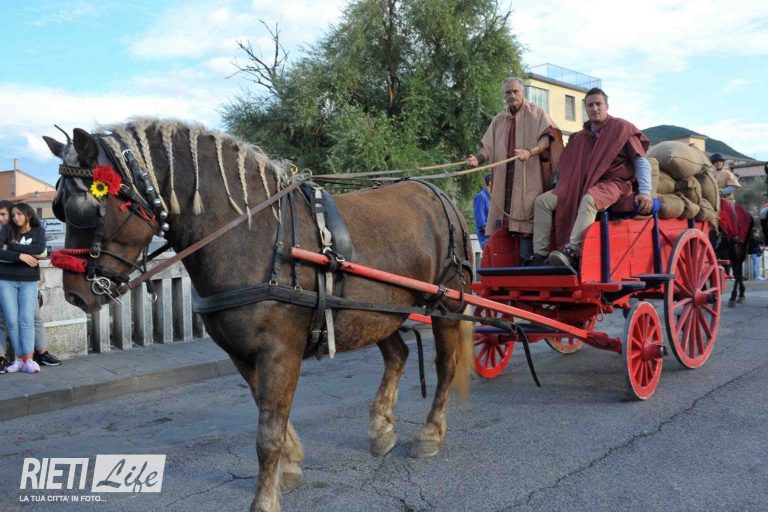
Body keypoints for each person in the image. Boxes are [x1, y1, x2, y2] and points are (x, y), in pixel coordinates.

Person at [530, 87, 653, 267]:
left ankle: (572, 250)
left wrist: (645, 191)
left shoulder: (622, 129)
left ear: (606, 106)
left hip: (613, 183)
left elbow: (641, 161)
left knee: (589, 199)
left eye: (598, 104)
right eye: (590, 105)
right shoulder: (579, 138)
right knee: (542, 202)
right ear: (585, 108)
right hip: (577, 184)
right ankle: (539, 255)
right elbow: (567, 167)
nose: (594, 108)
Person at [467, 77, 563, 262]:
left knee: (525, 228)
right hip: (503, 184)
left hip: (528, 181)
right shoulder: (498, 120)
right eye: (507, 92)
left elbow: (548, 138)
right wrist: (477, 159)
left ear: (522, 92)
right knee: (502, 232)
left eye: (515, 91)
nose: (511, 95)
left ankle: (528, 268)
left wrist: (529, 152)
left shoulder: (537, 113)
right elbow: (487, 147)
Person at [0, 201, 60, 373]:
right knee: (10, 321)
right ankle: (18, 359)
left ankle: (31, 358)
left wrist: (12, 247)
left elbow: (40, 250)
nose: (15, 218)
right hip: (6, 280)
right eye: (13, 215)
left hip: (28, 280)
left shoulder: (38, 231)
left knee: (28, 319)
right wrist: (20, 256)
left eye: (19, 214)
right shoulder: (7, 230)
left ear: (28, 214)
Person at [473, 174, 491, 249]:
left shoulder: (491, 198)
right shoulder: (481, 197)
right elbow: (481, 224)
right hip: (486, 239)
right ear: (490, 182)